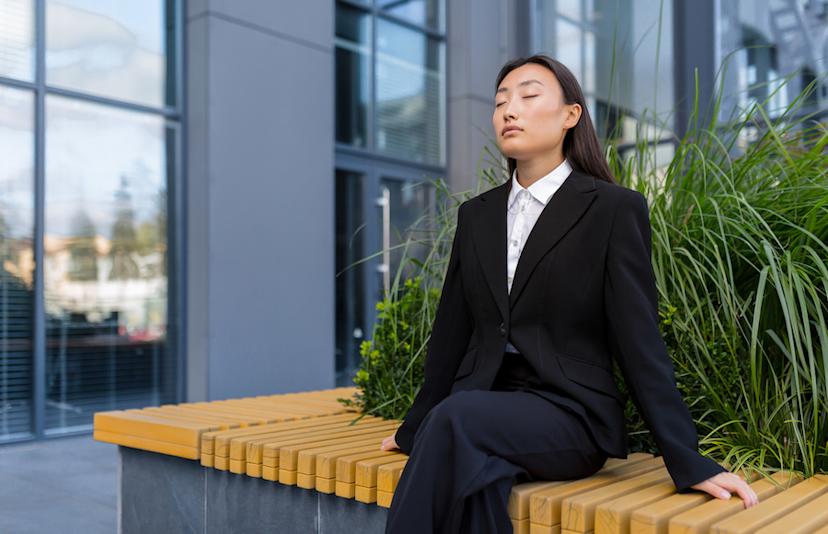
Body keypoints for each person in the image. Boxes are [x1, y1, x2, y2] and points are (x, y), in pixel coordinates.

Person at [379, 54, 759, 534]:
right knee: (479, 477)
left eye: (528, 96)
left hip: (568, 413)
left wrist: (689, 460)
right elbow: (452, 330)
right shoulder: (477, 215)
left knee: (456, 420)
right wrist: (415, 427)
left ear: (570, 116)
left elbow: (638, 340)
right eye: (500, 103)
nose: (509, 111)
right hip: (484, 406)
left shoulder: (611, 209)